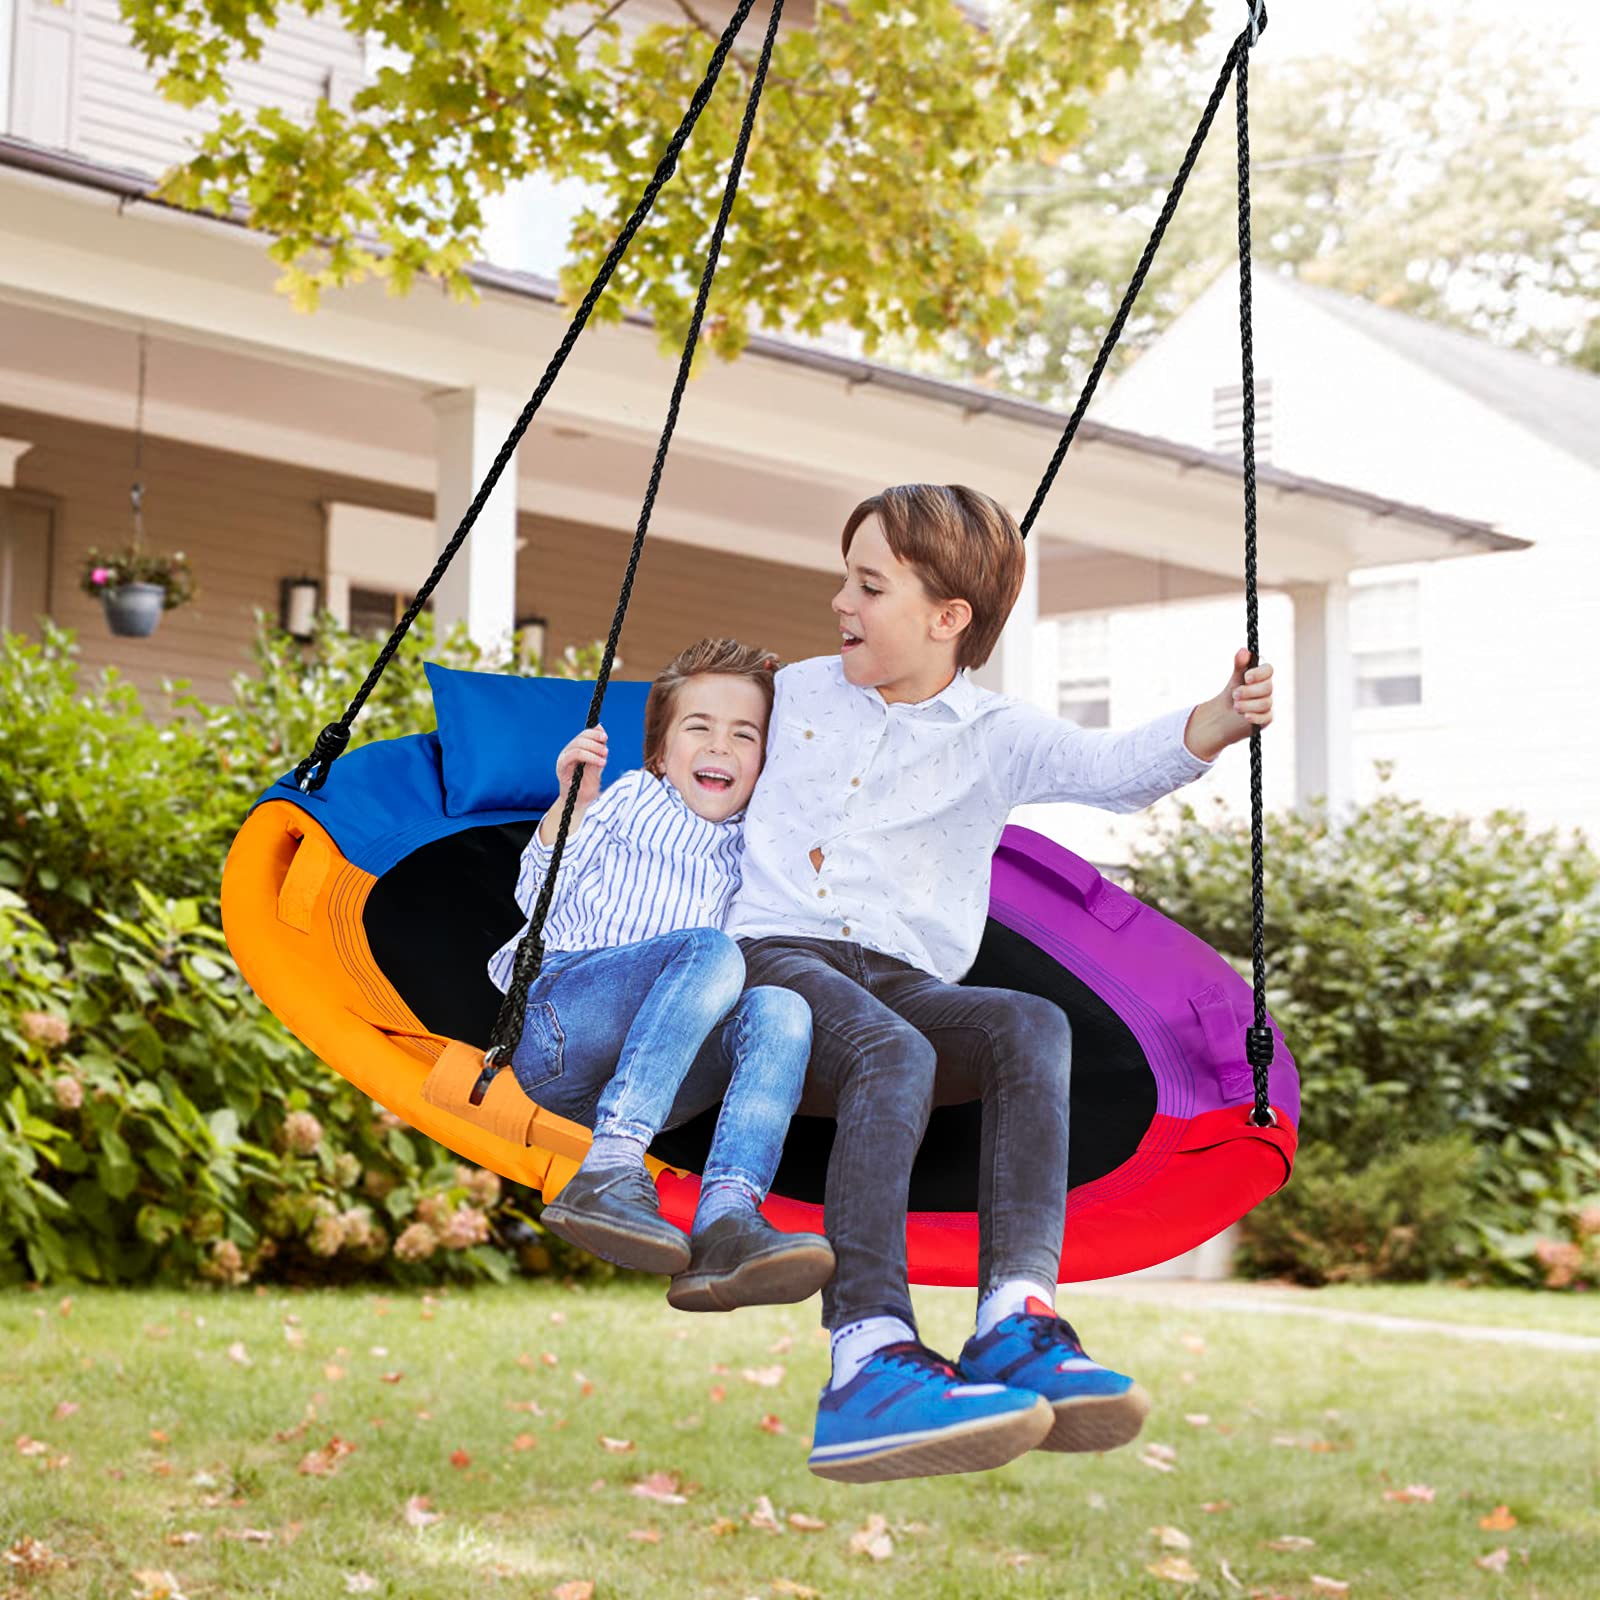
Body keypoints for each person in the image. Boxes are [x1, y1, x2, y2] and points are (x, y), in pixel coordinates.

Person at [725, 484, 1276, 1482]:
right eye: (843, 579)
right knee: (891, 1045)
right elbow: (681, 754)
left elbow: (1113, 767)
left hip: (896, 985)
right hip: (772, 967)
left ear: (947, 618)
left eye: (866, 584)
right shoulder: (784, 695)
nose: (839, 603)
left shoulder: (993, 734)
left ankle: (1014, 1319)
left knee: (1027, 1024)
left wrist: (1215, 718)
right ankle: (863, 1359)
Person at [488, 638, 834, 1313]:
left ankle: (727, 1224)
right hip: (566, 1028)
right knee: (709, 952)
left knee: (781, 1008)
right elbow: (539, 895)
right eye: (698, 728)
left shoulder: (762, 849)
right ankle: (610, 1170)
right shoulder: (633, 799)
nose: (720, 748)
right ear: (661, 753)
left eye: (745, 736)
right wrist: (573, 805)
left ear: (768, 763)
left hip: (666, 1078)